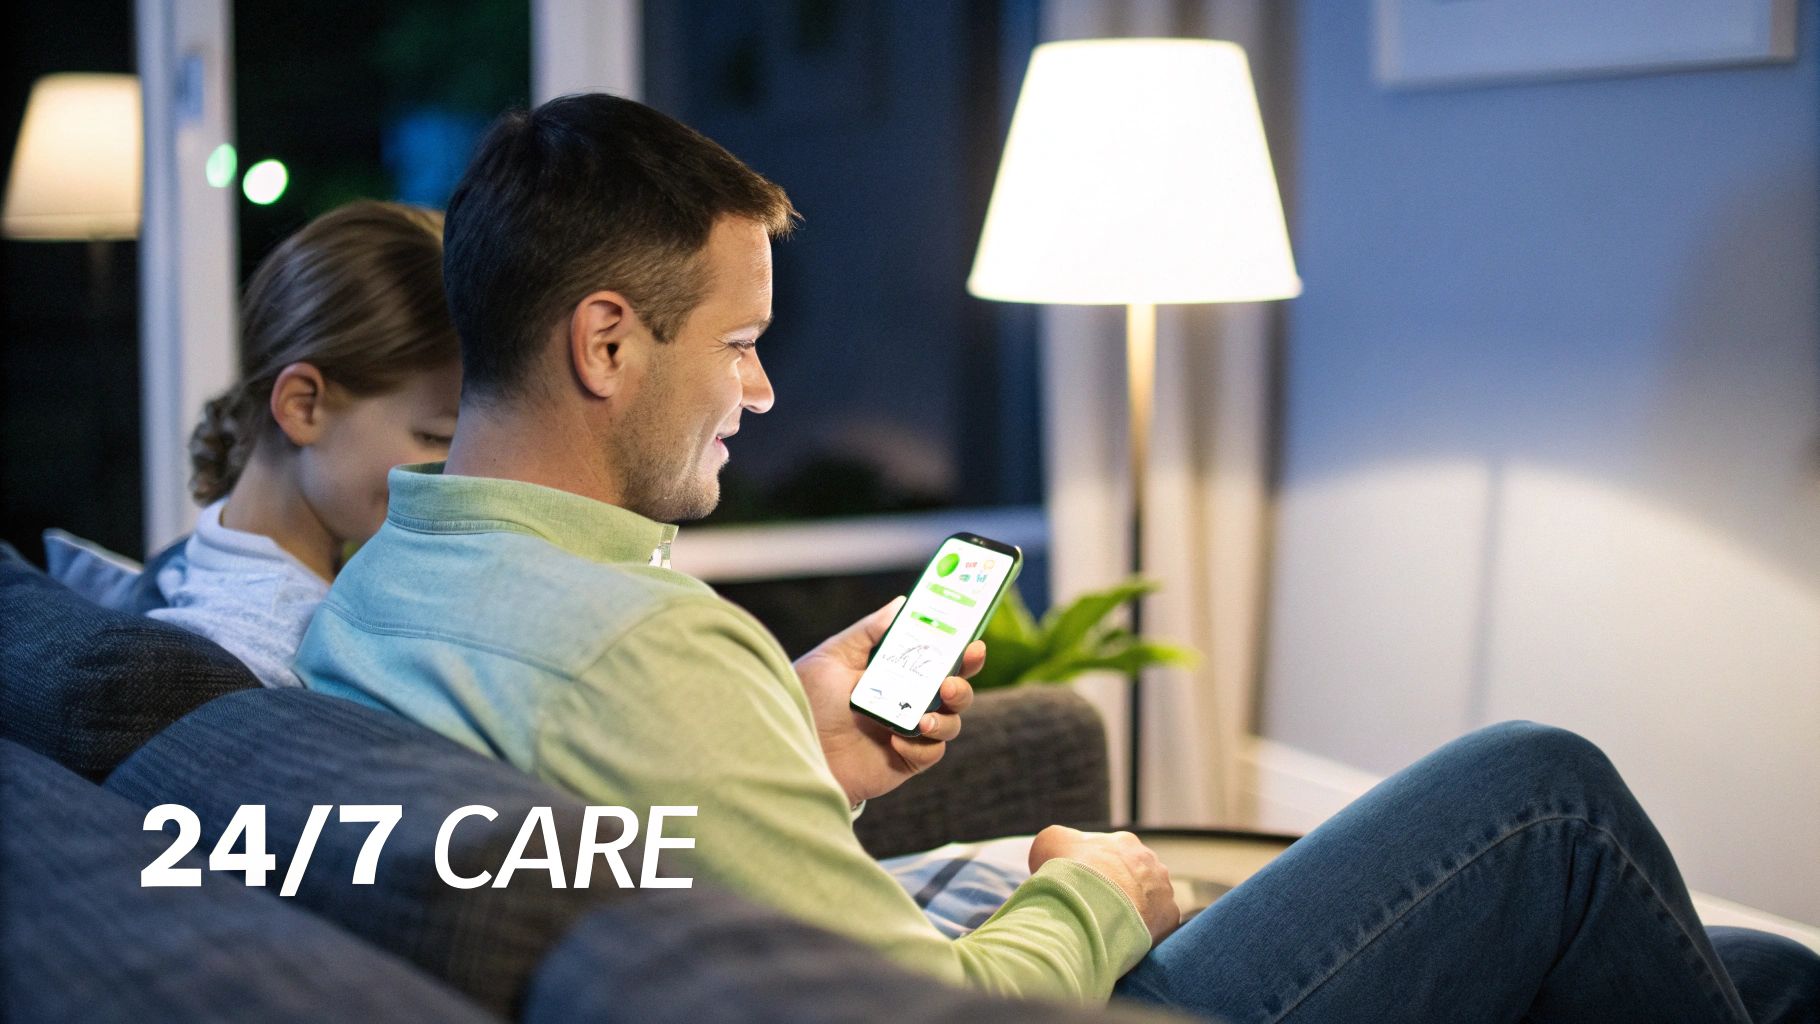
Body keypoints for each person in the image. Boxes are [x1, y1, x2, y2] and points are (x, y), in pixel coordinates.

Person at [293, 95, 1819, 1021]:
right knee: (1540, 794)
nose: (761, 392)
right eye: (742, 343)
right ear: (608, 342)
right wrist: (1099, 888)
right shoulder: (633, 643)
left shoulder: (379, 596)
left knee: (1744, 973)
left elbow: (616, 826)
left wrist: (794, 749)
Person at [56, 201, 461, 688]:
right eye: (437, 437)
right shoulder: (281, 650)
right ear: (302, 406)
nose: (460, 473)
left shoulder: (198, 558)